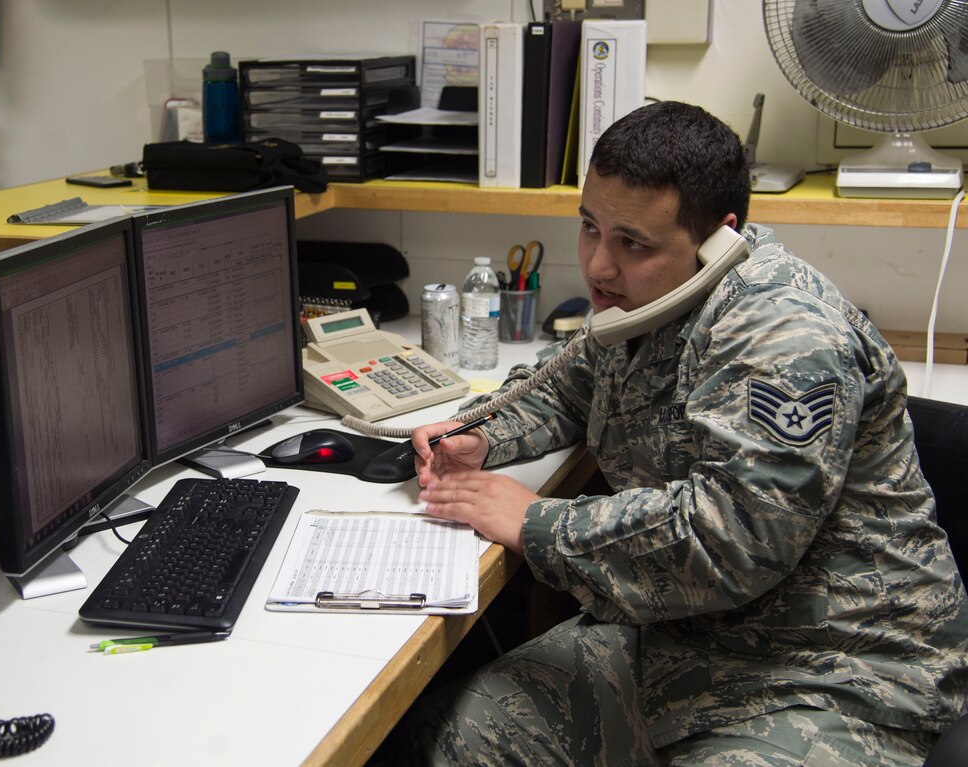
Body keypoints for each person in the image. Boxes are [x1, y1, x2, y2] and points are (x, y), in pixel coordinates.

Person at [400, 101, 968, 765]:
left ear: (720, 238)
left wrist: (536, 521)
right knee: (445, 741)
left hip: (833, 670)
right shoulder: (643, 302)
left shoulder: (785, 335)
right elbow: (564, 388)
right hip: (684, 640)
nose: (599, 267)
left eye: (631, 243)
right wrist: (483, 437)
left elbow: (729, 536)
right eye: (590, 228)